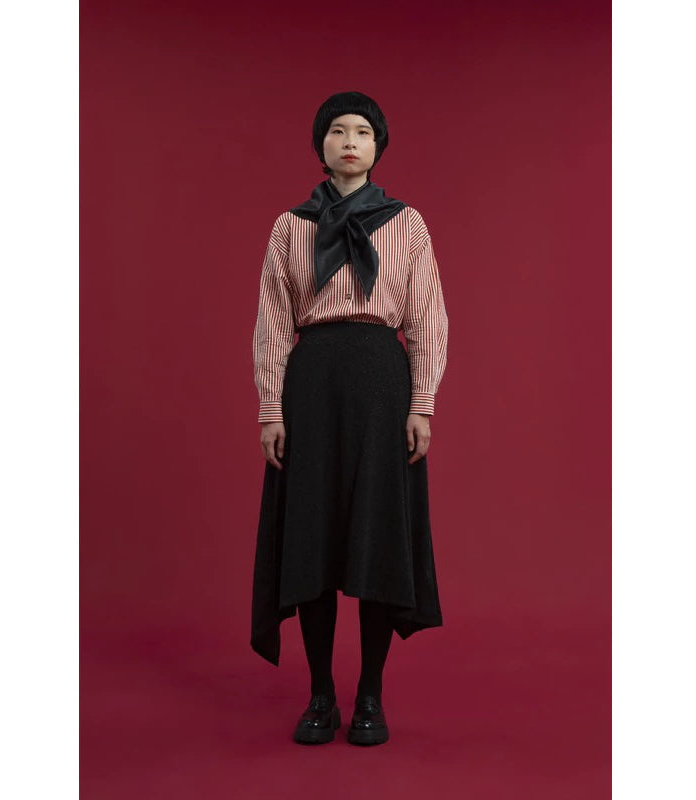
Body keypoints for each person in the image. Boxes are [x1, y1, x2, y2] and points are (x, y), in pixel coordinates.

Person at [250, 91, 448, 746]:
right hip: (312, 384)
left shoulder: (407, 225)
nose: (350, 141)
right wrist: (271, 408)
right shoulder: (290, 228)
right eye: (338, 130)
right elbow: (273, 320)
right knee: (312, 538)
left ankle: (369, 695)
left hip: (381, 385)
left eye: (363, 131)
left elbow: (427, 315)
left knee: (376, 537)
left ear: (378, 146)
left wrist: (421, 403)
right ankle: (320, 695)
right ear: (322, 145)